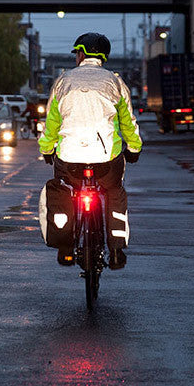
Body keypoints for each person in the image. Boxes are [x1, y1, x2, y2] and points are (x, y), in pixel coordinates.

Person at [38, 33, 143, 269]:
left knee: (63, 189)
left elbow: (52, 123)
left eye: (77, 52)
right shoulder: (115, 83)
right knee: (114, 192)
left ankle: (65, 247)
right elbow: (127, 122)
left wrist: (47, 149)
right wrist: (134, 148)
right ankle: (115, 251)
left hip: (70, 159)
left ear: (82, 54)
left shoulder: (63, 81)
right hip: (106, 161)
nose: (76, 56)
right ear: (103, 56)